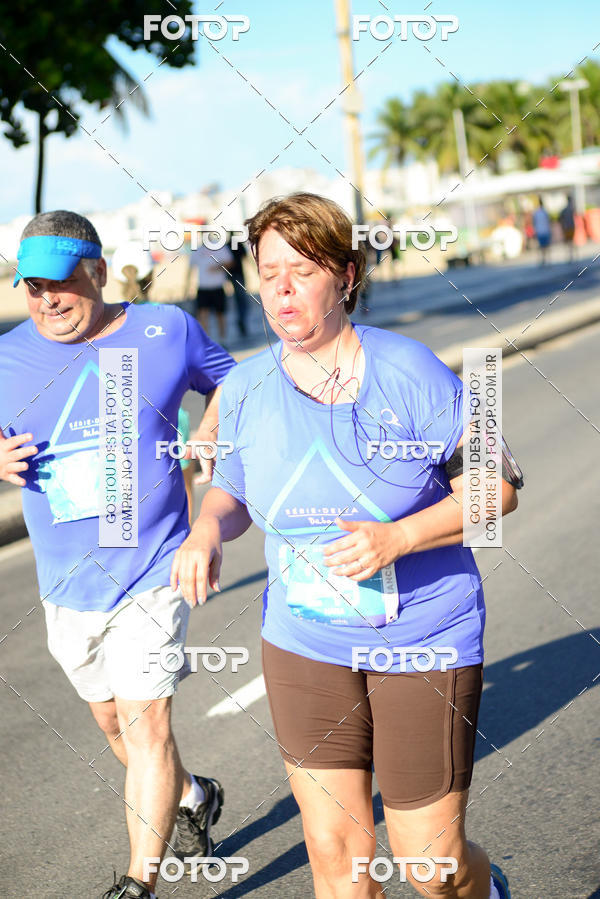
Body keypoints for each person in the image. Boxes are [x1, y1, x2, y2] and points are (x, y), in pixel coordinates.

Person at [171, 193, 522, 899]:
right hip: (304, 642)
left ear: (347, 274)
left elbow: (500, 486)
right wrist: (208, 527)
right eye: (268, 272)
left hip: (424, 636)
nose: (282, 288)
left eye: (301, 269)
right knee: (335, 860)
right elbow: (230, 493)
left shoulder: (412, 369)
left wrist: (402, 535)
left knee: (431, 866)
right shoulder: (243, 388)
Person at [0, 211, 236, 899]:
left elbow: (233, 382)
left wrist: (211, 428)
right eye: (31, 287)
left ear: (97, 273)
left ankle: (140, 883)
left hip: (153, 564)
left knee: (145, 721)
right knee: (114, 723)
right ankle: (193, 795)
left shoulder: (165, 330)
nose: (46, 301)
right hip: (67, 580)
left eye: (61, 284)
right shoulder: (9, 356)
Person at [112, 242, 196, 523]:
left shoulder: (104, 324)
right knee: (182, 494)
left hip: (121, 425)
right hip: (172, 418)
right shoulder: (167, 318)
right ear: (151, 276)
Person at [184, 230, 233, 342]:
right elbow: (190, 268)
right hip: (203, 287)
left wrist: (217, 267)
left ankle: (223, 339)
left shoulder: (219, 247)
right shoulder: (197, 250)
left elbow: (230, 262)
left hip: (217, 286)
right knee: (202, 314)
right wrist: (187, 286)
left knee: (220, 313)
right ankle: (207, 341)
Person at [227, 234, 251, 337]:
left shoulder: (226, 245)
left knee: (239, 299)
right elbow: (246, 258)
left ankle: (241, 319)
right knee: (242, 300)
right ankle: (242, 320)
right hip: (239, 275)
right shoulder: (238, 245)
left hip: (231, 276)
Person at [532, 196, 552, 265]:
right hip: (545, 230)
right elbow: (548, 221)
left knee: (541, 247)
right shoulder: (545, 212)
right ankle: (547, 260)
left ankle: (543, 260)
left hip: (539, 231)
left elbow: (534, 222)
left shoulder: (536, 213)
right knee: (546, 246)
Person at [558, 195, 576, 263]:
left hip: (567, 227)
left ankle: (570, 256)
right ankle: (571, 256)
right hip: (570, 227)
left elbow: (560, 218)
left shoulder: (565, 209)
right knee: (571, 242)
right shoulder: (571, 208)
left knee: (569, 242)